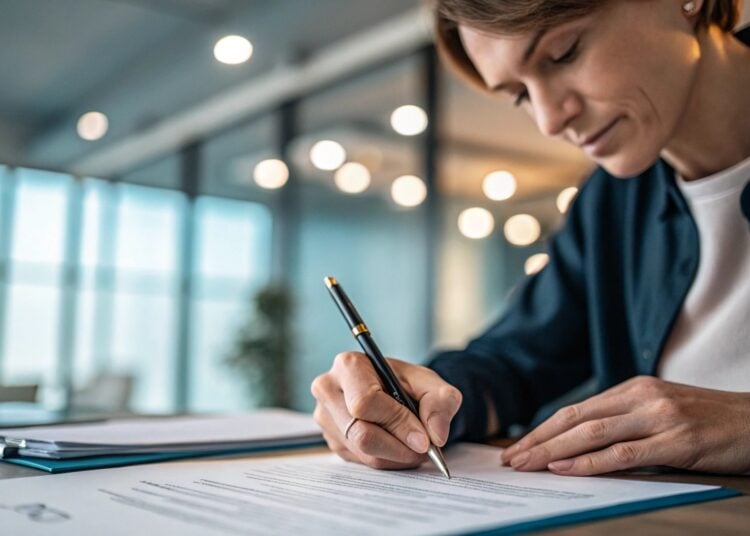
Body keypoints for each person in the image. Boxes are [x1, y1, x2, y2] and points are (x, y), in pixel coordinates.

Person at [311, 0, 750, 476]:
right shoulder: (609, 202)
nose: (549, 121)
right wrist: (413, 397)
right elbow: (512, 362)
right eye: (519, 94)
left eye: (564, 53)